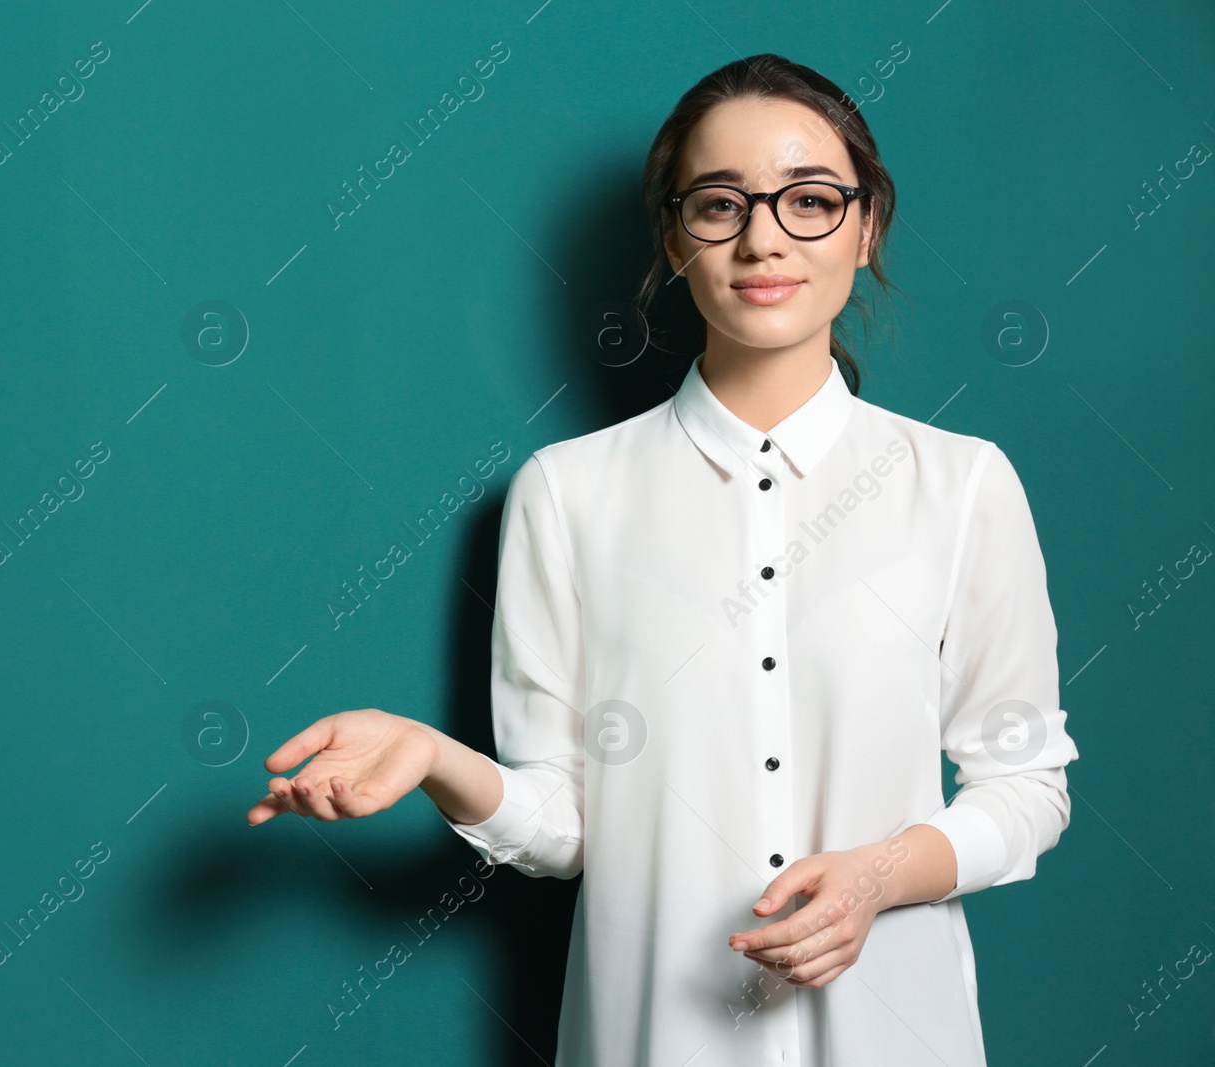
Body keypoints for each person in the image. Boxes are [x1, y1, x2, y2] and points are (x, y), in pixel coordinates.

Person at [247, 53, 1079, 1067]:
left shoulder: (960, 484)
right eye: (719, 204)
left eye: (809, 200)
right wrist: (434, 758)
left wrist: (880, 871)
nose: (763, 236)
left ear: (866, 230)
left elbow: (1027, 785)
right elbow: (566, 822)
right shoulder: (567, 492)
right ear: (674, 237)